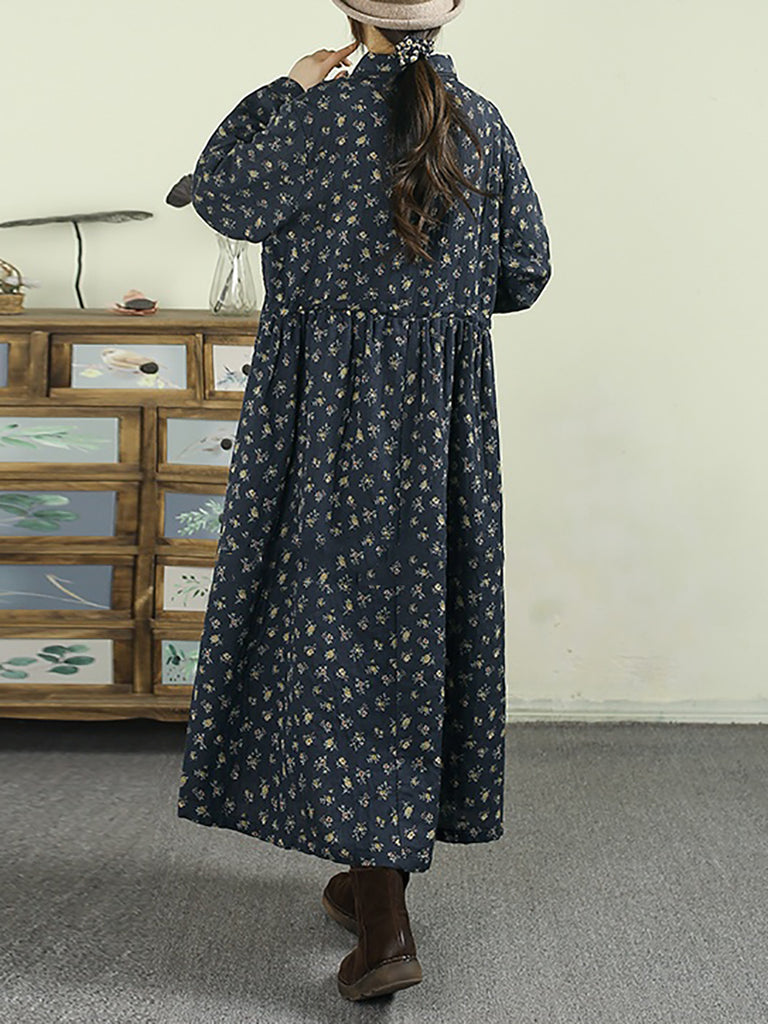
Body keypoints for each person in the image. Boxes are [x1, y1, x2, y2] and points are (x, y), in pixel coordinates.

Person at [177, 0, 552, 1002]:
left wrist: (286, 88)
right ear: (451, 12)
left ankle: (383, 918)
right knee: (411, 637)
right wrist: (431, 304)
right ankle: (374, 888)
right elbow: (525, 272)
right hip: (438, 435)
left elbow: (218, 194)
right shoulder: (483, 122)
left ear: (351, 14)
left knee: (333, 635)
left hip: (321, 424)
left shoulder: (313, 120)